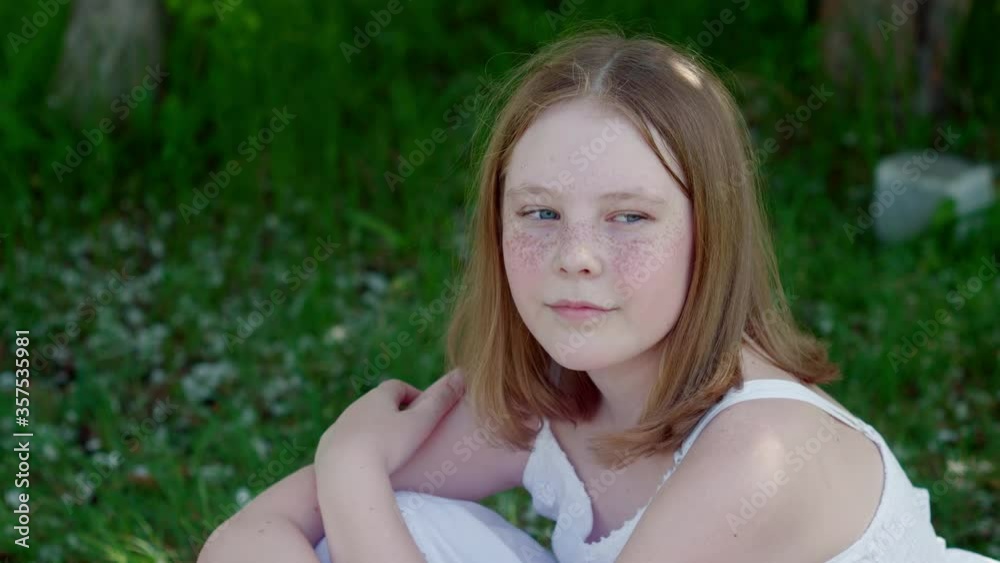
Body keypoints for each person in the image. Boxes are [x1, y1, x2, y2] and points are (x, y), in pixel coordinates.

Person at [198, 29, 998, 563]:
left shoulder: (763, 453)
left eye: (629, 217)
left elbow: (341, 499)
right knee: (382, 530)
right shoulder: (544, 399)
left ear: (708, 235)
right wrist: (359, 497)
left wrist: (349, 465)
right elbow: (242, 541)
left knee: (368, 512)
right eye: (540, 212)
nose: (576, 257)